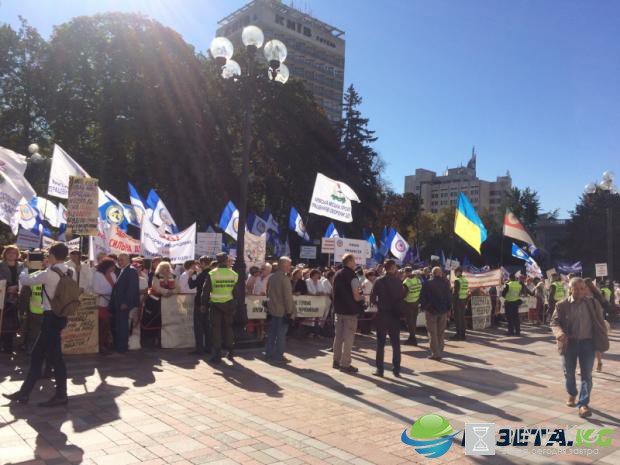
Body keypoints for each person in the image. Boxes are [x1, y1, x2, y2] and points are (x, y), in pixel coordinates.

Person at [4, 243, 71, 406]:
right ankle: (24, 393)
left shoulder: (49, 273)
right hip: (61, 316)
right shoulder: (70, 270)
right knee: (38, 356)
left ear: (53, 256)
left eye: (49, 255)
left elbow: (25, 280)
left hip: (50, 318)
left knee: (56, 358)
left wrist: (26, 267)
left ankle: (61, 395)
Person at [550, 277, 609, 418]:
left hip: (588, 343)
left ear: (586, 289)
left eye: (582, 288)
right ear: (570, 289)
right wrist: (559, 334)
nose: (579, 291)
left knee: (586, 375)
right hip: (569, 343)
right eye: (575, 288)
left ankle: (583, 404)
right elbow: (554, 322)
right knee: (568, 373)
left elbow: (600, 319)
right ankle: (572, 393)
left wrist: (602, 333)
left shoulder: (592, 303)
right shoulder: (562, 305)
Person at [370, 259, 406, 377]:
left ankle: (380, 370)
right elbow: (402, 296)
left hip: (382, 314)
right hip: (394, 315)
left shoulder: (378, 281)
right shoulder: (398, 281)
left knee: (380, 343)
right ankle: (396, 370)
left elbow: (372, 298)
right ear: (392, 268)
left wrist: (380, 304)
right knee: (396, 343)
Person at [202, 252, 238, 363]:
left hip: (215, 305)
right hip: (229, 305)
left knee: (216, 330)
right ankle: (231, 352)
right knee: (228, 328)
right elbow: (236, 292)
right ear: (226, 260)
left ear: (217, 260)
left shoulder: (212, 273)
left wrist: (203, 304)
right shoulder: (233, 274)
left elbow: (205, 291)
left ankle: (216, 355)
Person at [332, 254, 364, 373]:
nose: (355, 262)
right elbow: (356, 296)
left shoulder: (337, 274)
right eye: (354, 260)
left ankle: (336, 361)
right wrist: (362, 298)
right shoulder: (352, 275)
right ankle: (345, 364)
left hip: (338, 310)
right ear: (349, 261)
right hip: (350, 311)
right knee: (349, 338)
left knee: (338, 337)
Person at [265, 256, 296, 363]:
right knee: (281, 335)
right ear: (283, 266)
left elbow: (268, 293)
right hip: (282, 311)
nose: (290, 268)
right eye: (288, 266)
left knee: (272, 334)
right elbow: (287, 297)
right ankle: (279, 356)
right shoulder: (284, 279)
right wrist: (289, 312)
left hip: (273, 310)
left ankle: (269, 353)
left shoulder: (271, 277)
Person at [109, 253, 140, 354]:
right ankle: (120, 346)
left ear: (128, 260)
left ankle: (122, 347)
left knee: (123, 326)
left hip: (124, 304)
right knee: (120, 325)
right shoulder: (124, 270)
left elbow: (132, 289)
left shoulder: (130, 270)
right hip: (119, 303)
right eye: (118, 260)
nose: (119, 262)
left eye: (122, 260)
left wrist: (126, 302)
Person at [420, 267, 451, 361]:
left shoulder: (427, 283)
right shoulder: (445, 283)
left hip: (431, 311)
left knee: (432, 332)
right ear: (440, 273)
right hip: (442, 310)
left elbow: (422, 297)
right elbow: (449, 297)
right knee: (441, 332)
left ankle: (436, 353)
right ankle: (439, 351)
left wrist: (424, 307)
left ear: (432, 274)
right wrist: (449, 308)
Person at [0, 245, 26, 354]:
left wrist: (17, 288)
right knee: (3, 321)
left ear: (17, 255)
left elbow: (25, 279)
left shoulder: (22, 266)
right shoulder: (0, 265)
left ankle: (11, 345)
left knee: (15, 321)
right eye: (9, 252)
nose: (11, 254)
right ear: (5, 254)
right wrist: (7, 288)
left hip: (18, 296)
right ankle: (5, 345)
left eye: (14, 253)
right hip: (3, 297)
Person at [188, 256, 213, 355]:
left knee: (199, 327)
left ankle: (200, 349)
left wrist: (190, 276)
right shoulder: (212, 274)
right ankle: (208, 348)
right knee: (208, 326)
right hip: (211, 302)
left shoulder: (202, 275)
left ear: (202, 263)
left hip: (200, 302)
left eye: (199, 263)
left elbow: (191, 285)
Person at [92, 257, 117, 354]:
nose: (114, 267)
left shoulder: (113, 275)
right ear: (107, 266)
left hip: (111, 303)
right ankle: (100, 345)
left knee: (108, 325)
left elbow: (115, 286)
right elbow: (96, 290)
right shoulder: (97, 275)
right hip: (101, 303)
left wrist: (112, 293)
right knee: (102, 325)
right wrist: (112, 292)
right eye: (112, 266)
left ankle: (106, 343)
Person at [401, 267, 422, 345]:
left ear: (406, 272)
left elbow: (404, 294)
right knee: (413, 321)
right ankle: (412, 337)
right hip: (416, 302)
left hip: (408, 303)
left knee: (410, 322)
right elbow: (420, 290)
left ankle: (412, 339)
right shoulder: (418, 280)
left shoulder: (406, 282)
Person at [451, 267, 468, 341]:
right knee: (462, 318)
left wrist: (452, 303)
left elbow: (455, 293)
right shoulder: (465, 280)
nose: (454, 274)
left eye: (455, 272)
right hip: (463, 300)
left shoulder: (457, 281)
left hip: (457, 301)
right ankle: (463, 334)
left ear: (458, 272)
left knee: (458, 318)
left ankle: (458, 335)